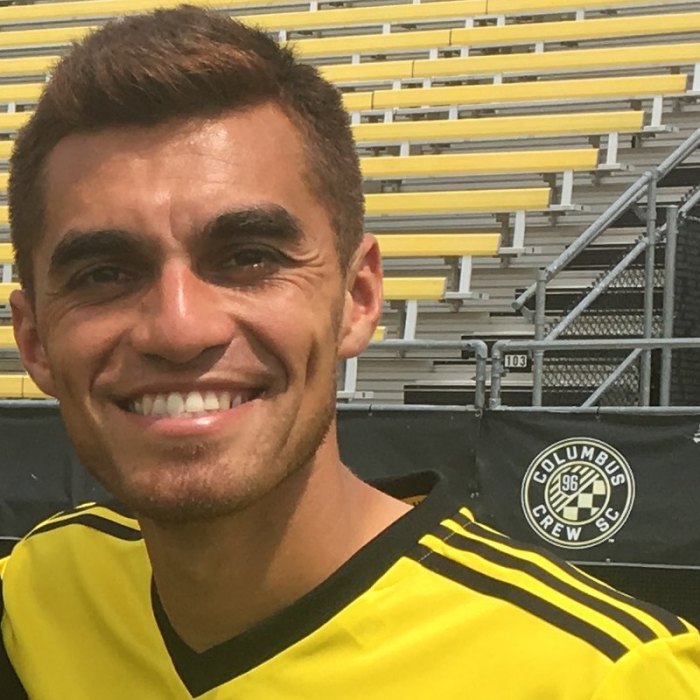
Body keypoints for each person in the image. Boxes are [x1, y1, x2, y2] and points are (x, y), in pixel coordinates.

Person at [2, 6, 699, 698]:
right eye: (104, 274)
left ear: (358, 299)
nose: (180, 329)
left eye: (249, 257)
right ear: (34, 340)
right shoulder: (42, 587)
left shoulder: (609, 679)